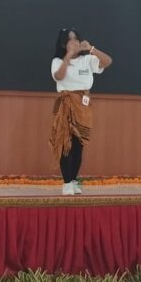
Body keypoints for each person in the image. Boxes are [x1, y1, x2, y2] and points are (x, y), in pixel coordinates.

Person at [50, 28, 112, 195]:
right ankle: (66, 183)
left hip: (83, 105)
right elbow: (59, 76)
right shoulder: (57, 61)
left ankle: (73, 180)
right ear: (63, 43)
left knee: (79, 144)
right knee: (66, 142)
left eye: (76, 38)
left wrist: (91, 49)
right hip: (66, 103)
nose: (75, 42)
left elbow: (107, 61)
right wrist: (68, 56)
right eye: (70, 39)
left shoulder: (87, 60)